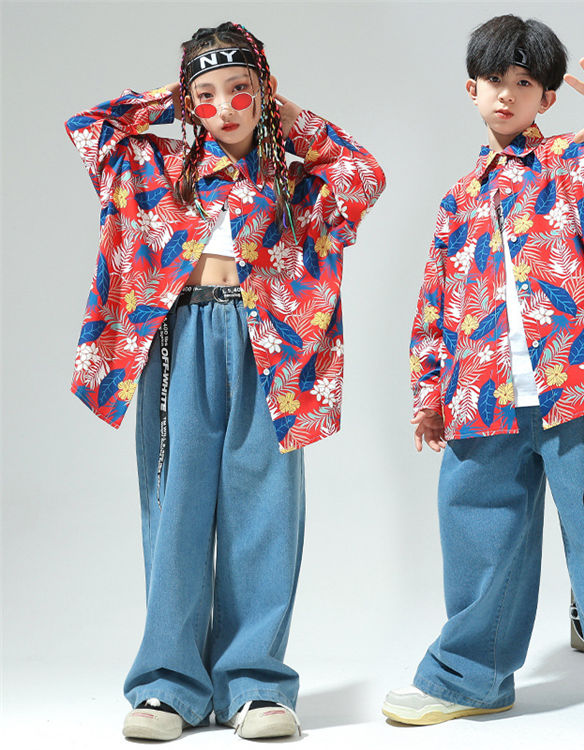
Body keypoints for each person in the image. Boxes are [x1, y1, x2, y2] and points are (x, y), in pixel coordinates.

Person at [65, 21, 385, 742]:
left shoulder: (298, 184)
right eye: (206, 95)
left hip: (270, 345)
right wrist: (173, 98)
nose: (225, 107)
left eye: (241, 90)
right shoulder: (153, 166)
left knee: (265, 510)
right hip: (178, 339)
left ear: (263, 93)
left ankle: (255, 683)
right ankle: (167, 686)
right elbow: (90, 127)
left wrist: (289, 114)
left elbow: (365, 174)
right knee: (175, 506)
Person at [382, 14, 584, 747]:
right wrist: (430, 395)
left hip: (581, 387)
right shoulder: (459, 199)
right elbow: (435, 304)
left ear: (546, 98)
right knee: (478, 539)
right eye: (494, 80)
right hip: (480, 396)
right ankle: (470, 678)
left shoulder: (577, 166)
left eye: (523, 83)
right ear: (471, 89)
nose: (506, 94)